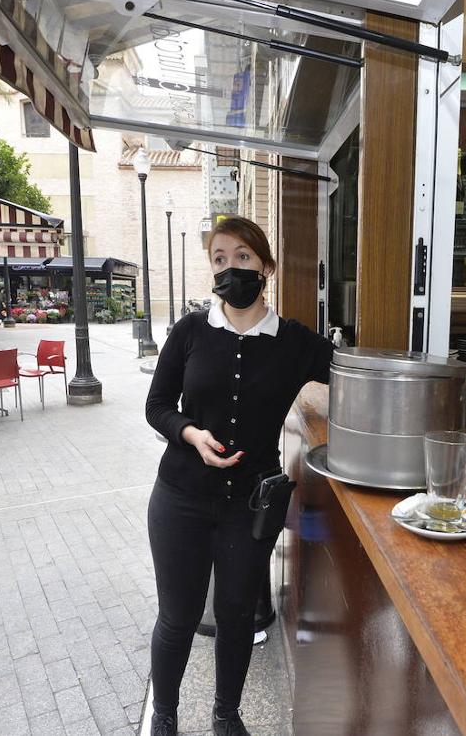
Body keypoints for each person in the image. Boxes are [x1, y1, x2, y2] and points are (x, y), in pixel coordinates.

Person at [144, 216, 335, 736]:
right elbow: (157, 405)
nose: (231, 269)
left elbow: (359, 367)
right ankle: (165, 715)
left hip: (249, 505)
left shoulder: (294, 342)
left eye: (243, 258)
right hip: (180, 497)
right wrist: (189, 433)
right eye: (220, 259)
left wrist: (456, 374)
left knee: (236, 617)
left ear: (266, 267)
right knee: (178, 617)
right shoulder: (189, 332)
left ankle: (226, 714)